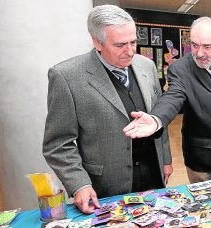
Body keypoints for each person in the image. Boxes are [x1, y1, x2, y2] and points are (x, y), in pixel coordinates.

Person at [42, 5, 172, 214]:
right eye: (120, 45)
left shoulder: (146, 66)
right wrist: (80, 184)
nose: (130, 51)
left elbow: (157, 118)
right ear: (97, 42)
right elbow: (58, 144)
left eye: (133, 42)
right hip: (105, 187)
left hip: (153, 178)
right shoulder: (66, 77)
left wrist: (166, 160)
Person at [123, 17, 211, 183]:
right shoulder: (180, 69)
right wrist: (156, 119)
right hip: (201, 159)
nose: (199, 53)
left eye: (207, 47)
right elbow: (173, 96)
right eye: (194, 45)